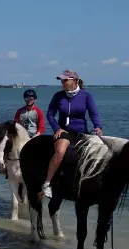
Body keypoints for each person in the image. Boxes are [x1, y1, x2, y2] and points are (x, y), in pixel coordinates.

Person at [42, 70, 102, 198]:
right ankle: (47, 183)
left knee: (98, 151)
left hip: (82, 132)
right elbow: (50, 114)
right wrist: (57, 128)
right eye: (61, 80)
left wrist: (98, 127)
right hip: (65, 131)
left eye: (65, 80)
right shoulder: (58, 96)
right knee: (60, 151)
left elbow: (93, 114)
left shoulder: (86, 95)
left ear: (74, 80)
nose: (62, 83)